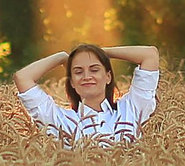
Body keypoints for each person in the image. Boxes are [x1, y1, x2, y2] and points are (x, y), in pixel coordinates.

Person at [12, 41, 162, 146]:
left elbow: (150, 55)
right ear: (71, 82)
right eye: (78, 71)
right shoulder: (59, 120)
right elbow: (22, 77)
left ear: (108, 77)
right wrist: (62, 57)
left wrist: (100, 52)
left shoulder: (132, 108)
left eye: (94, 69)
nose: (86, 76)